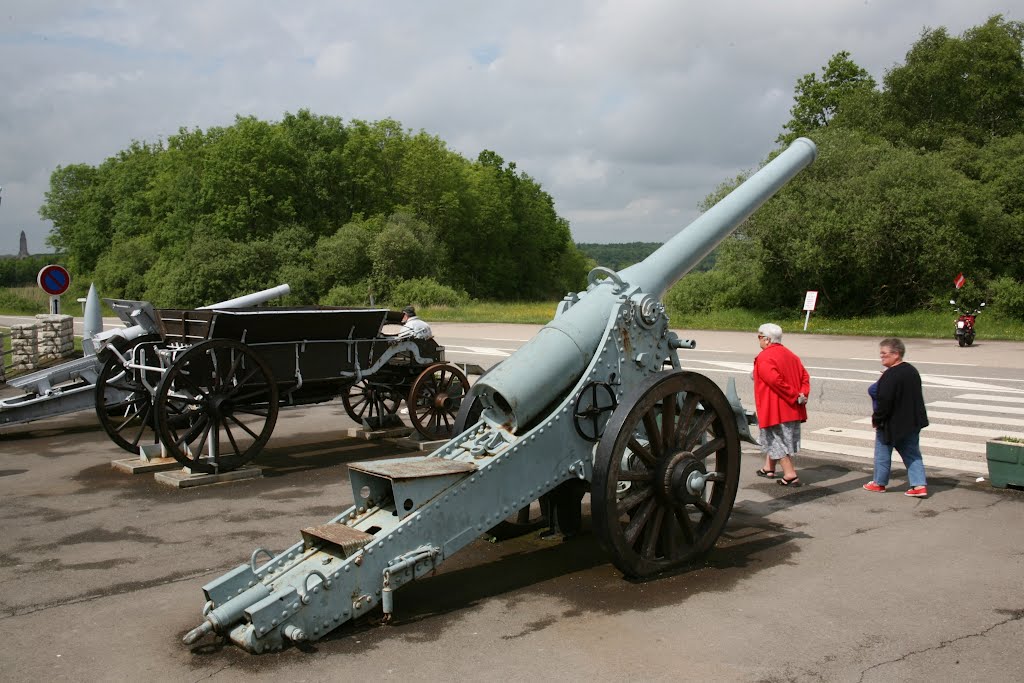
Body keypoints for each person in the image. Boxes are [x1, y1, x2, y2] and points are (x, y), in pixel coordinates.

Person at [863, 338, 929, 497]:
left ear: (896, 354)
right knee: (912, 453)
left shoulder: (891, 375)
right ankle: (919, 485)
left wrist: (877, 419)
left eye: (884, 354)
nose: (881, 358)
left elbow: (884, 401)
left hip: (891, 423)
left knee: (882, 452)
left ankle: (879, 483)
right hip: (911, 422)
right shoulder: (911, 370)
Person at [752, 323, 810, 486]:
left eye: (759, 337)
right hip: (793, 408)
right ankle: (768, 468)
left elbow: (774, 381)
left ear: (767, 339)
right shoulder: (792, 356)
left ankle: (790, 474)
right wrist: (801, 395)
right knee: (776, 437)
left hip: (775, 408)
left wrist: (792, 395)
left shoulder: (764, 357)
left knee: (775, 440)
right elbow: (805, 377)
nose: (759, 340)